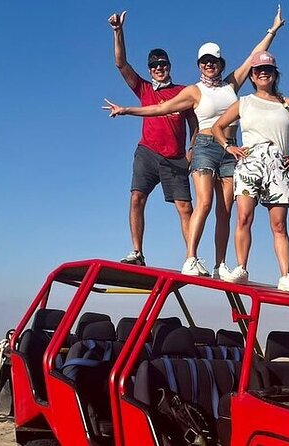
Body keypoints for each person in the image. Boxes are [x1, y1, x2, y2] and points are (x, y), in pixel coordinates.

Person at [103, 7, 285, 279]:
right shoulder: (190, 91)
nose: (210, 65)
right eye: (205, 61)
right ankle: (183, 257)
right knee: (202, 203)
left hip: (227, 150)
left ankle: (219, 264)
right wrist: (127, 109)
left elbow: (252, 58)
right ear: (199, 65)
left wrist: (273, 30)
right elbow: (156, 106)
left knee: (223, 210)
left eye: (214, 61)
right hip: (189, 149)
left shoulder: (229, 85)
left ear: (221, 64)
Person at [211, 50, 289, 292]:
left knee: (279, 224)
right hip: (250, 160)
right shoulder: (244, 102)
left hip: (278, 163)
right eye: (258, 70)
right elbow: (217, 126)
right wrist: (229, 146)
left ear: (275, 74)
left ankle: (286, 275)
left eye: (267, 69)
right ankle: (241, 267)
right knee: (244, 217)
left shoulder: (288, 104)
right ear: (253, 77)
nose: (263, 73)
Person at [108, 11, 198, 267]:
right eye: (154, 65)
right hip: (147, 152)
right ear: (149, 69)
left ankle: (191, 258)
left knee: (185, 208)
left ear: (169, 66)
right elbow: (121, 64)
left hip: (175, 157)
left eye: (163, 64)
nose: (159, 69)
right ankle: (137, 253)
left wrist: (191, 152)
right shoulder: (144, 88)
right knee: (137, 198)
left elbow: (195, 124)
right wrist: (118, 32)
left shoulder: (183, 92)